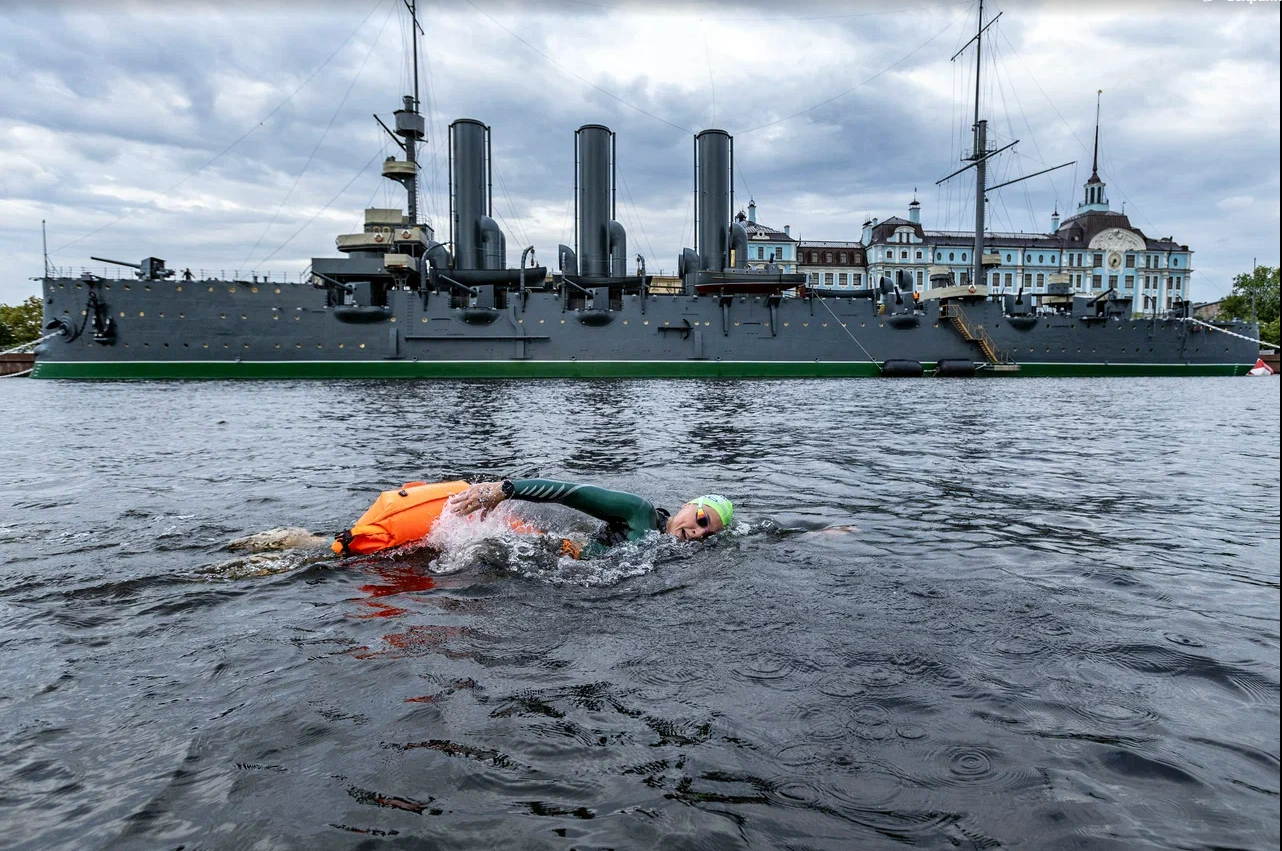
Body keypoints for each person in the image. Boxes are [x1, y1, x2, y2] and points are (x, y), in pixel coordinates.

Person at [447, 478, 732, 554]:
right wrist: (506, 490)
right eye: (702, 519)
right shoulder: (639, 511)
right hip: (556, 559)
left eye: (708, 534)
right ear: (686, 505)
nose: (699, 532)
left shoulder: (671, 552)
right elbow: (573, 493)